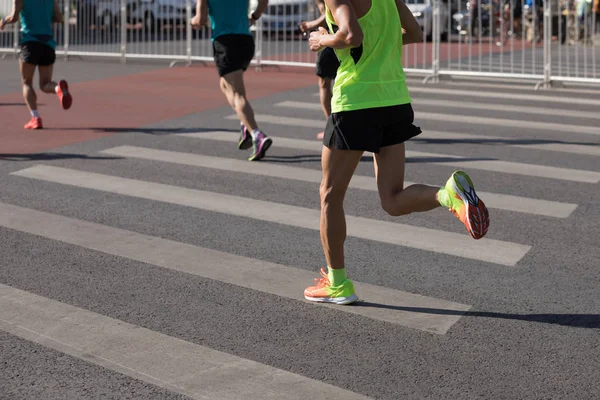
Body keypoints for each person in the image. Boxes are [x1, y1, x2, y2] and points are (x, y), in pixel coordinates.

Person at [303, 0, 490, 305]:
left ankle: (338, 284)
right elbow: (415, 33)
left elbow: (351, 35)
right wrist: (384, 42)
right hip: (394, 100)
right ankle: (448, 194)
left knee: (329, 195)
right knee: (391, 199)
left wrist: (322, 40)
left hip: (356, 103)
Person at [191, 0, 273, 162]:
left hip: (225, 42)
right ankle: (245, 123)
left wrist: (192, 21)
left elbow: (200, 19)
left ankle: (257, 134)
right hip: (245, 41)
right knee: (225, 85)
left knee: (237, 94)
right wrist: (255, 16)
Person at [0, 0, 73, 130]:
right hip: (48, 44)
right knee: (45, 83)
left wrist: (3, 21)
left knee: (27, 82)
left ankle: (35, 118)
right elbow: (59, 17)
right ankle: (58, 89)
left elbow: (14, 17)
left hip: (30, 42)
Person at [299, 0, 340, 140]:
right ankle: (334, 124)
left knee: (325, 84)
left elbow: (332, 9)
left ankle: (334, 126)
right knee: (327, 84)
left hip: (330, 39)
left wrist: (312, 24)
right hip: (333, 37)